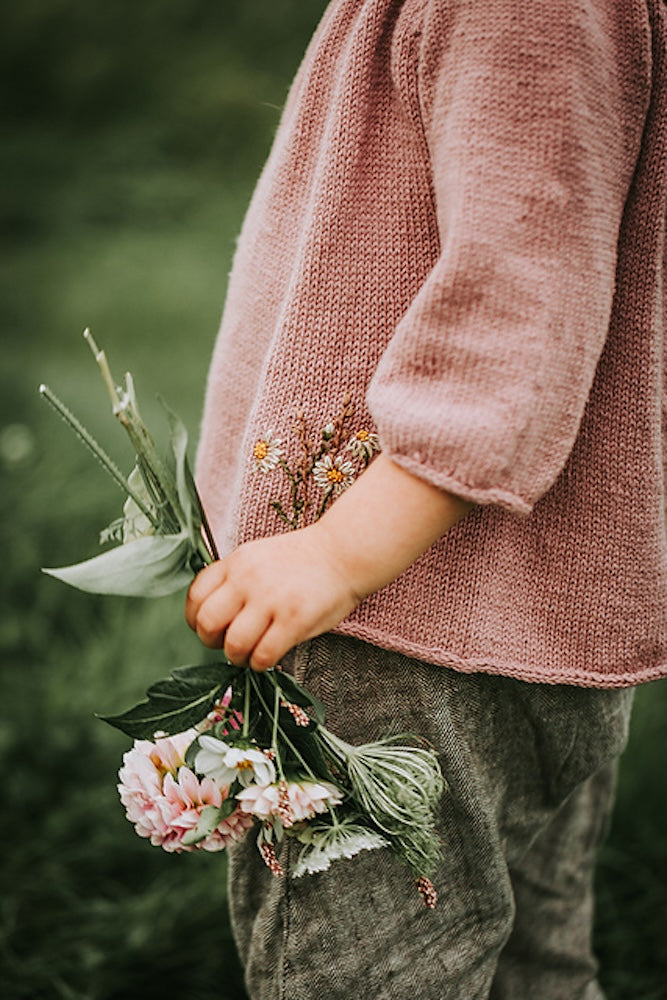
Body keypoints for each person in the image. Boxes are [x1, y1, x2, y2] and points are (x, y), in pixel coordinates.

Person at [185, 1, 667, 997]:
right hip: (507, 612)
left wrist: (337, 554)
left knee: (366, 972)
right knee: (528, 962)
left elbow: (519, 300)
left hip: (407, 619)